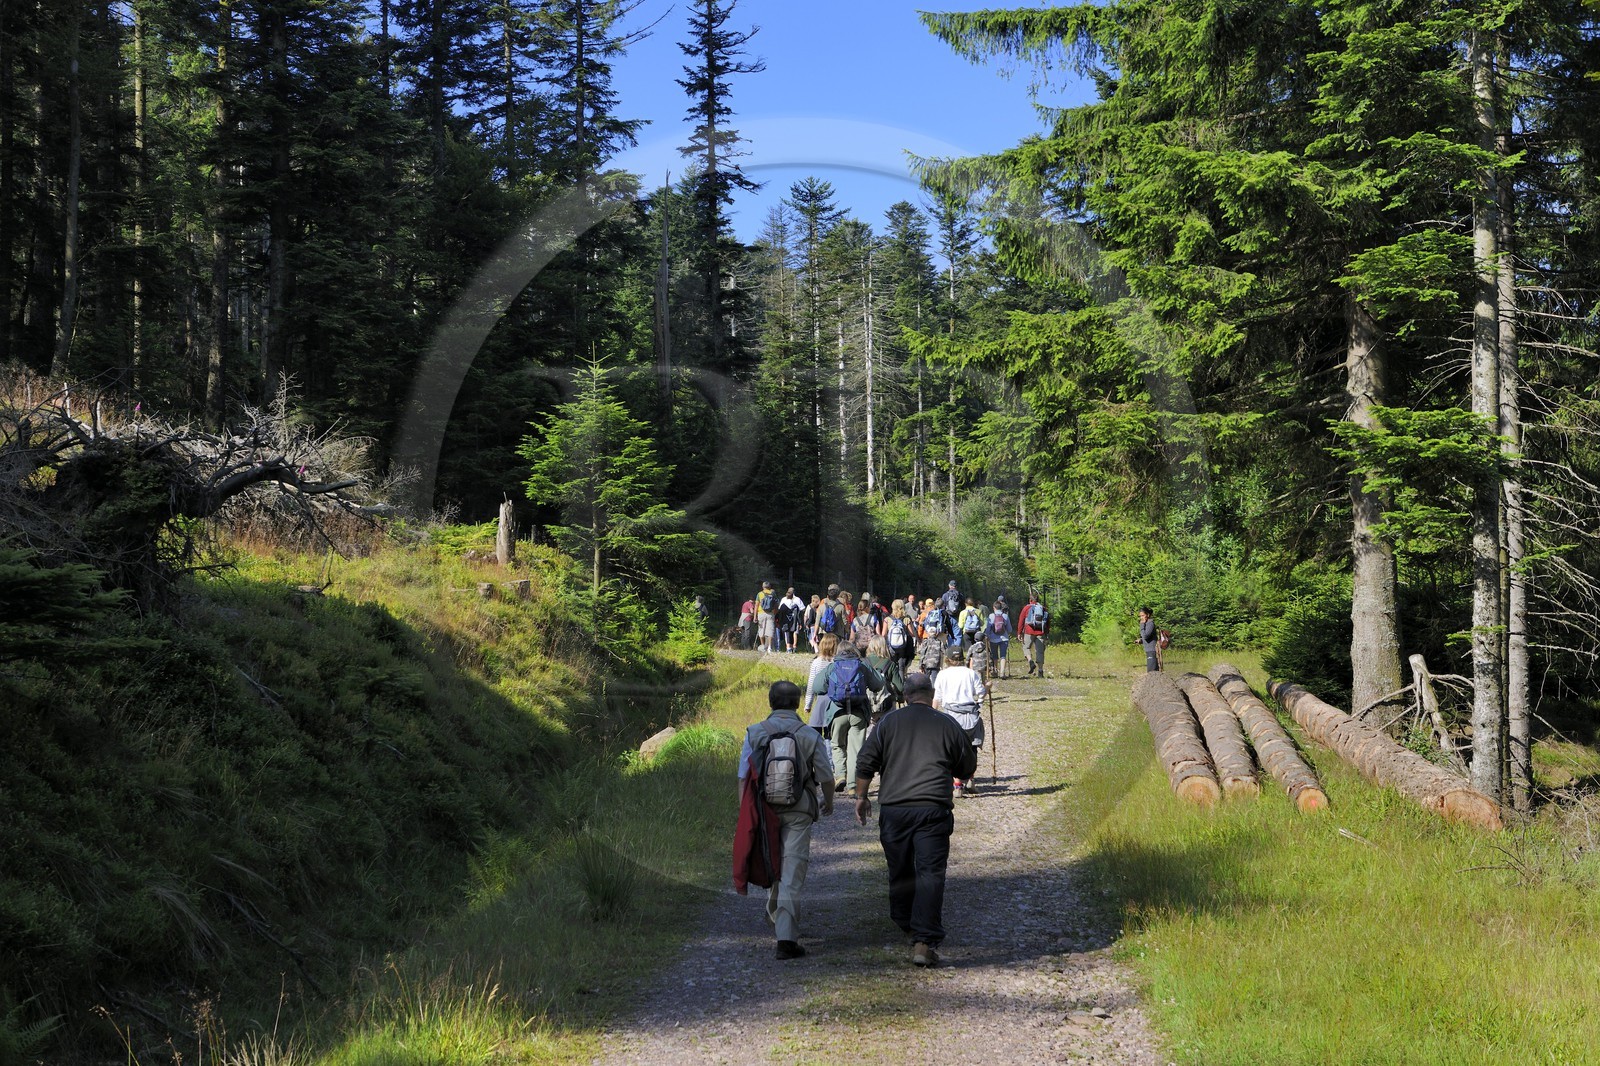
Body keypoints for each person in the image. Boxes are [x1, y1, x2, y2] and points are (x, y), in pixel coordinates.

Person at [853, 672, 978, 969]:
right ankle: (924, 940)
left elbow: (866, 761)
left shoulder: (887, 723)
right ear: (930, 693)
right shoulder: (947, 724)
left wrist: (861, 796)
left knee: (900, 868)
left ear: (905, 695)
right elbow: (966, 768)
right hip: (933, 809)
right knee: (930, 872)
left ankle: (906, 922)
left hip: (895, 809)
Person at [737, 680, 835, 960]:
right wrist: (827, 802)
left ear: (770, 702)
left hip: (763, 808)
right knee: (791, 869)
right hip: (799, 810)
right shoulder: (808, 734)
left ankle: (779, 920)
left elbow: (744, 775)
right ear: (796, 704)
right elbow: (826, 776)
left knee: (771, 861)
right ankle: (786, 939)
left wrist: (745, 811)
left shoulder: (755, 732)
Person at [810, 641, 885, 793]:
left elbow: (817, 687)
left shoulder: (833, 666)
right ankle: (852, 786)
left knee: (837, 745)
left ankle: (840, 775)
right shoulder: (862, 665)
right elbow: (878, 684)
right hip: (858, 713)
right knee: (855, 749)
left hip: (837, 712)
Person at [933, 648, 986, 796]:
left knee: (954, 750)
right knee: (972, 748)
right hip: (970, 715)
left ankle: (957, 785)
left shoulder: (942, 674)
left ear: (947, 659)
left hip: (952, 715)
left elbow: (937, 697)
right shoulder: (971, 673)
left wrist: (932, 715)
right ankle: (970, 779)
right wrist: (983, 696)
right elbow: (980, 692)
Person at [863, 636, 904, 731]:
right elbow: (900, 687)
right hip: (886, 704)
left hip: (867, 704)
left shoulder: (863, 662)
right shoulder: (890, 664)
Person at [803, 633, 840, 729]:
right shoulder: (838, 662)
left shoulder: (817, 662)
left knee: (816, 731)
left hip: (821, 700)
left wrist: (808, 704)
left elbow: (811, 684)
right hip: (836, 702)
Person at [884, 599, 917, 678]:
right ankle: (901, 686)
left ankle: (892, 684)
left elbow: (883, 634)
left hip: (891, 646)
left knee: (892, 664)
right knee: (901, 667)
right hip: (903, 647)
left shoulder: (887, 619)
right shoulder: (906, 619)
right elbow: (912, 634)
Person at [1020, 593, 1050, 677]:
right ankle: (1040, 671)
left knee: (1026, 647)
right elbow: (1047, 622)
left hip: (1029, 632)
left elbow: (1021, 621)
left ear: (1030, 600)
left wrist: (1019, 633)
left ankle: (1030, 661)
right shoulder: (1043, 609)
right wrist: (1046, 633)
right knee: (1040, 651)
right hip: (1040, 632)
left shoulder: (1026, 608)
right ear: (1038, 600)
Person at [985, 598, 1012, 678]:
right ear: (1001, 607)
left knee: (995, 655)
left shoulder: (991, 616)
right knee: (1003, 655)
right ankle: (1002, 672)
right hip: (1004, 638)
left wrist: (987, 636)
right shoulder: (1005, 616)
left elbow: (988, 629)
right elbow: (1009, 629)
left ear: (994, 607)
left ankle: (995, 670)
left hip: (993, 639)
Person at [778, 587, 805, 652]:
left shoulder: (784, 599)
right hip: (795, 618)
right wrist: (801, 621)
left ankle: (788, 647)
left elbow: (780, 609)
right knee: (795, 632)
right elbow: (802, 609)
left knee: (787, 632)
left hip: (786, 618)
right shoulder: (797, 599)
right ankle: (794, 646)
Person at [755, 581, 778, 653]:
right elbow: (776, 605)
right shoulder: (773, 593)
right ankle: (769, 647)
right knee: (770, 630)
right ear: (770, 587)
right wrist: (774, 613)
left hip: (761, 613)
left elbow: (756, 605)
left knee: (761, 630)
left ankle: (762, 646)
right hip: (770, 614)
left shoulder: (760, 594)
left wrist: (755, 616)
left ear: (763, 587)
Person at [1139, 607, 1161, 673]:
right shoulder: (1147, 624)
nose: (1141, 618)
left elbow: (1145, 636)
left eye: (1143, 615)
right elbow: (1148, 637)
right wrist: (1141, 640)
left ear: (1148, 615)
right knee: (1152, 671)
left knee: (1152, 672)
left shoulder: (1150, 624)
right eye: (1140, 616)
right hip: (1149, 650)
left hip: (1152, 650)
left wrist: (1142, 625)